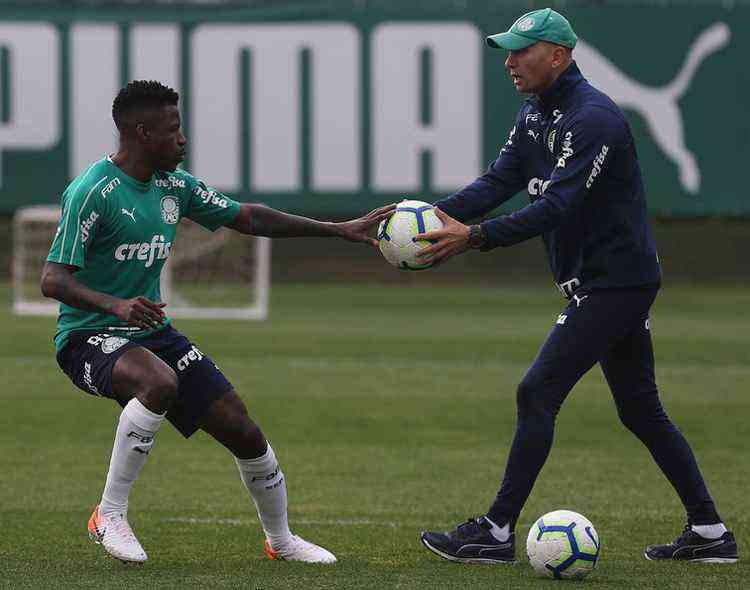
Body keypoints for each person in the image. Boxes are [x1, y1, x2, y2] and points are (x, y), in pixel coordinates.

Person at [417, 8, 738, 565]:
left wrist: (476, 237)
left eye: (522, 50)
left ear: (559, 55)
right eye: (508, 51)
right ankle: (711, 534)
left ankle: (495, 533)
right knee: (640, 410)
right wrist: (428, 215)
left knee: (536, 391)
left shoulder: (594, 119)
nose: (511, 61)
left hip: (615, 284)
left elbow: (557, 204)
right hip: (603, 281)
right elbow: (499, 181)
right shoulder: (535, 113)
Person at [41, 80, 393, 565]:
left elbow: (248, 217)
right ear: (142, 133)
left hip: (150, 332)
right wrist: (116, 305)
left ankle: (281, 540)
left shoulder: (173, 186)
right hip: (86, 336)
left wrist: (334, 229)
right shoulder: (92, 191)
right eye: (173, 130)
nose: (183, 140)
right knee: (157, 383)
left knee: (243, 431)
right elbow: (53, 280)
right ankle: (109, 514)